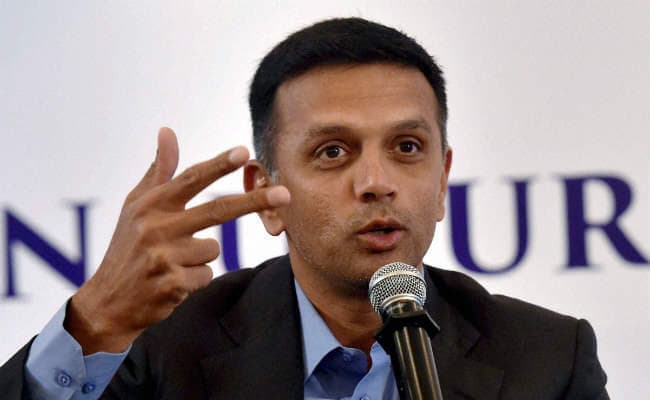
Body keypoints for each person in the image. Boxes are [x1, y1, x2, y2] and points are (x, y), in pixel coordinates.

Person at [0, 17, 608, 399]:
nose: (377, 182)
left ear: (443, 179)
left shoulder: (548, 357)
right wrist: (95, 321)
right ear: (267, 195)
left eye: (406, 147)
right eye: (332, 151)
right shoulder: (163, 350)